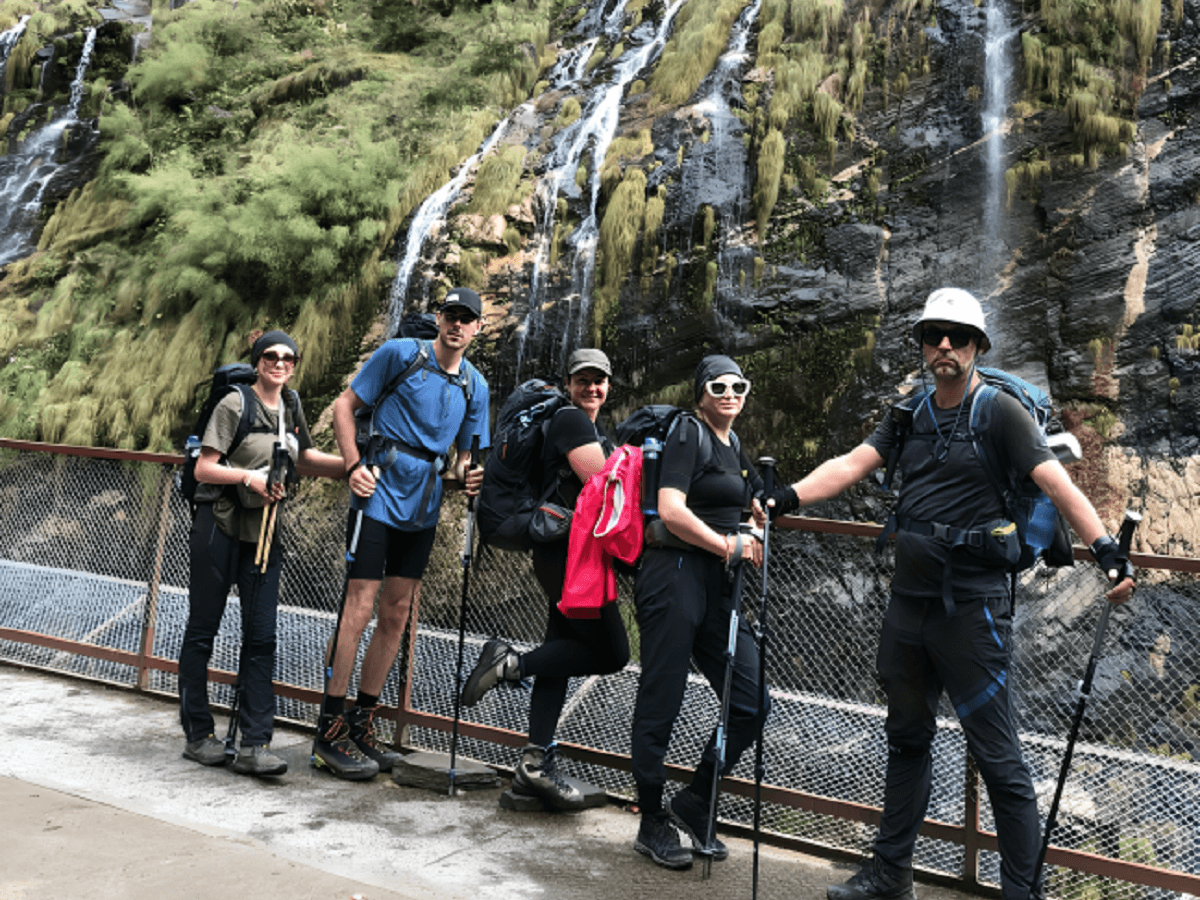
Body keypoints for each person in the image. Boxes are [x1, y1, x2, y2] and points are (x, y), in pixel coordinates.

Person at [763, 288, 1136, 900]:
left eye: (957, 336)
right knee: (907, 740)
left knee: (1000, 760)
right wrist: (788, 496)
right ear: (921, 343)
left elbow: (1057, 483)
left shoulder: (1000, 413)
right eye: (933, 334)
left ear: (977, 346)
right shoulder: (909, 412)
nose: (944, 345)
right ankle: (890, 875)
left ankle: (1022, 893)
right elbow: (853, 463)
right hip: (908, 605)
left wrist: (1106, 550)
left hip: (974, 609)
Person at [319, 288, 490, 780]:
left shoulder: (475, 386)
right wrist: (353, 465)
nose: (457, 325)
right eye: (451, 315)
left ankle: (362, 724)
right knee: (358, 608)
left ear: (477, 328)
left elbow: (463, 458)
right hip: (377, 493)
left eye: (467, 319)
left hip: (424, 505)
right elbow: (344, 405)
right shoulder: (400, 354)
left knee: (396, 613)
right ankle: (328, 731)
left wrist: (470, 475)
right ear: (438, 318)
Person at [459, 348, 631, 810]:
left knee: (561, 651)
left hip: (560, 552)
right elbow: (604, 485)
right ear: (568, 384)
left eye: (599, 381)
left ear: (609, 385)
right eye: (583, 380)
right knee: (613, 652)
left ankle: (534, 764)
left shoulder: (574, 425)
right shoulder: (572, 421)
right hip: (566, 556)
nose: (591, 388)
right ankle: (509, 664)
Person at [180, 329, 346, 777]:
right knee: (203, 631)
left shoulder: (291, 406)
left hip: (266, 532)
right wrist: (248, 478)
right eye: (270, 356)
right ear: (257, 361)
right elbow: (205, 467)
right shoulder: (234, 404)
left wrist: (354, 466)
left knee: (261, 637)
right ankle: (198, 734)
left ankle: (256, 743)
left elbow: (304, 458)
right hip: (219, 526)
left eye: (288, 358)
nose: (279, 363)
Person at [629, 355, 768, 871]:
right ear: (701, 393)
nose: (730, 394)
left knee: (751, 701)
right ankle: (651, 820)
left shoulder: (734, 444)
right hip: (675, 574)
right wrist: (728, 545)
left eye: (738, 386)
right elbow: (670, 508)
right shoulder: (690, 431)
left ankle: (696, 798)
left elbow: (741, 500)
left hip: (717, 584)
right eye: (718, 386)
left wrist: (756, 512)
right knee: (661, 697)